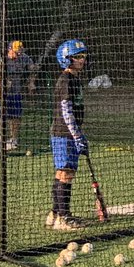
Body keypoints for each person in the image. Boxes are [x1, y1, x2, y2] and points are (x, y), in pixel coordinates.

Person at [47, 38, 90, 231]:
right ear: (66, 59)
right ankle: (64, 217)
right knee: (66, 173)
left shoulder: (73, 79)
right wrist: (77, 135)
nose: (82, 60)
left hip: (65, 134)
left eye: (83, 56)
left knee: (62, 172)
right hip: (65, 134)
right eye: (77, 57)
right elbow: (66, 111)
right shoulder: (66, 80)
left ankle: (55, 214)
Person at [0, 40, 36, 150]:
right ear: (9, 50)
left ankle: (14, 140)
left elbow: (33, 69)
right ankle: (3, 139)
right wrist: (2, 102)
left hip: (15, 89)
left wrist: (31, 82)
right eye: (16, 52)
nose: (18, 54)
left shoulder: (24, 57)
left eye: (20, 52)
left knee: (16, 116)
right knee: (2, 115)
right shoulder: (1, 63)